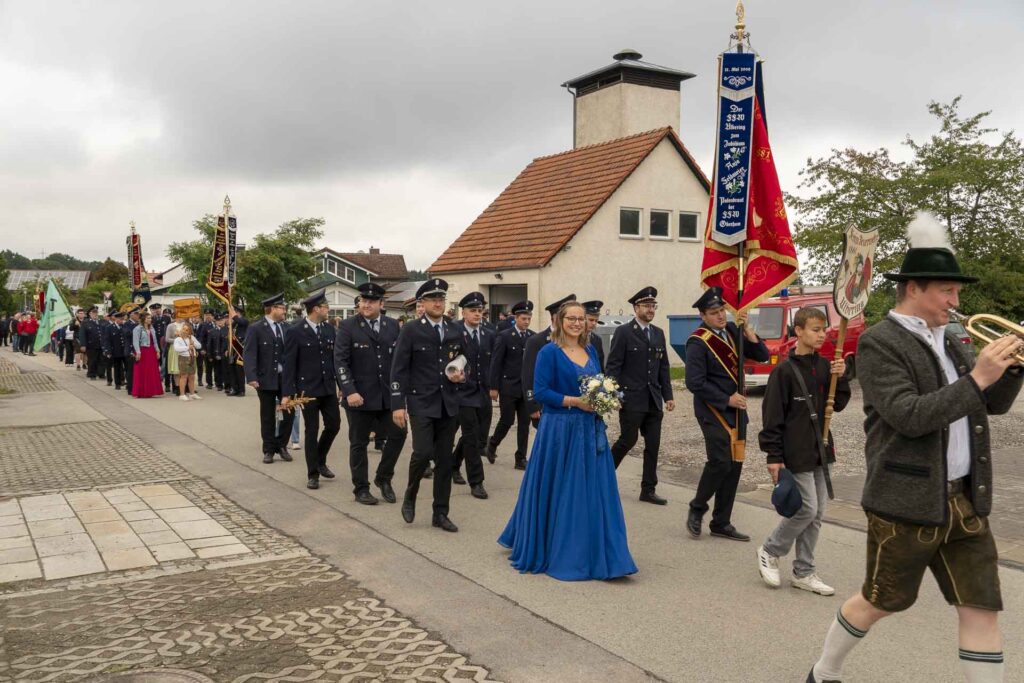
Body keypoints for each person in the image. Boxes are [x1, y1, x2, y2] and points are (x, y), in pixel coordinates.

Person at [807, 238, 1023, 683]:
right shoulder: (879, 343)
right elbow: (910, 416)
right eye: (947, 291)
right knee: (880, 600)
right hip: (905, 503)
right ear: (913, 290)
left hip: (965, 501)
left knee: (983, 610)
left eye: (956, 292)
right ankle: (824, 671)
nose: (956, 301)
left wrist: (1011, 369)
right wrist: (979, 375)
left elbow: (991, 404)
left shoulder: (954, 339)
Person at [499, 301, 638, 581]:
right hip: (559, 429)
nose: (576, 323)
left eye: (581, 319)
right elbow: (541, 391)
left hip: (589, 428)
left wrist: (604, 400)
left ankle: (600, 550)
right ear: (560, 320)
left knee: (591, 489)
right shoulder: (548, 351)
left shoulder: (590, 350)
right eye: (571, 318)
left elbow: (598, 381)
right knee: (563, 488)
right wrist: (576, 402)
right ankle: (563, 549)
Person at [756, 306, 850, 597]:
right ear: (798, 331)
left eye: (824, 329)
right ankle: (770, 550)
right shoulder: (783, 371)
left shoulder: (825, 367)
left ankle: (804, 571)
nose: (822, 334)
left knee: (818, 512)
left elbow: (839, 403)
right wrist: (773, 456)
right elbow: (772, 416)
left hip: (822, 448)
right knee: (806, 508)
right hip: (795, 451)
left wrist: (841, 377)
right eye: (815, 329)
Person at [685, 287, 769, 541]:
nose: (721, 316)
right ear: (703, 315)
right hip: (714, 409)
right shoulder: (697, 342)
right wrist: (726, 399)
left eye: (722, 310)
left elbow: (763, 356)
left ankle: (721, 522)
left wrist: (749, 332)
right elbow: (694, 382)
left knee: (735, 465)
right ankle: (697, 507)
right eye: (714, 312)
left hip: (738, 408)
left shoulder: (733, 331)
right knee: (720, 461)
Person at [390, 278, 466, 532]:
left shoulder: (455, 329)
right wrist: (397, 404)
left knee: (444, 460)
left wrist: (462, 373)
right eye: (433, 299)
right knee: (422, 453)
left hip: (448, 403)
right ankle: (410, 495)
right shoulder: (411, 330)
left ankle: (440, 512)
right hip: (421, 400)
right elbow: (398, 369)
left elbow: (466, 359)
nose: (438, 303)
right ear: (422, 303)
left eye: (441, 299)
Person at [335, 282, 407, 505]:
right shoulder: (348, 326)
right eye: (363, 301)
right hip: (360, 398)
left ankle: (383, 478)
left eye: (371, 301)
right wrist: (349, 391)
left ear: (381, 304)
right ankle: (361, 488)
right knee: (359, 443)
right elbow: (340, 362)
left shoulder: (393, 325)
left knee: (398, 435)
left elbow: (400, 362)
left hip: (388, 397)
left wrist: (401, 397)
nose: (366, 304)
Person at [608, 287, 675, 505]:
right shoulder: (624, 332)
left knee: (653, 445)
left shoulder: (658, 333)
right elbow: (614, 366)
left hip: (653, 399)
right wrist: (613, 395)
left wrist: (668, 396)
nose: (650, 310)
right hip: (631, 398)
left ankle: (648, 489)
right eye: (646, 306)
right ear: (636, 308)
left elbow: (663, 367)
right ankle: (603, 476)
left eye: (653, 306)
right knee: (628, 440)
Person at [282, 289, 340, 490]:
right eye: (325, 307)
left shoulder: (329, 330)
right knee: (312, 430)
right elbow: (289, 365)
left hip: (328, 387)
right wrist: (287, 394)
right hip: (307, 391)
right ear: (316, 309)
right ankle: (313, 473)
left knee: (334, 425)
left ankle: (320, 459)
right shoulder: (295, 331)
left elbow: (335, 360)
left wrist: (342, 386)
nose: (328, 310)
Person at [451, 292, 494, 499]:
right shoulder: (454, 331)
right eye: (473, 311)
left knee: (478, 438)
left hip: (482, 392)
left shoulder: (488, 333)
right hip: (462, 393)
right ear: (463, 312)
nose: (478, 314)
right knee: (470, 436)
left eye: (480, 311)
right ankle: (476, 481)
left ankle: (453, 464)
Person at [243, 293, 294, 464]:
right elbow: (249, 354)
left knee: (289, 412)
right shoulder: (256, 328)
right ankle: (269, 449)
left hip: (286, 378)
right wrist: (251, 376)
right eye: (282, 308)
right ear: (273, 309)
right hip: (265, 378)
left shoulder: (287, 328)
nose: (284, 311)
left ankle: (282, 445)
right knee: (267, 415)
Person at [487, 300, 535, 470]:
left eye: (529, 318)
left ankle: (520, 457)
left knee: (524, 424)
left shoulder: (532, 337)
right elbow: (496, 362)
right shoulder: (505, 336)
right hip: (508, 385)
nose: (526, 322)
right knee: (506, 420)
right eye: (523, 318)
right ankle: (492, 444)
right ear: (516, 318)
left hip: (525, 388)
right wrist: (494, 386)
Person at [522, 294, 576, 428]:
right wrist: (532, 405)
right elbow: (528, 375)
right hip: (546, 406)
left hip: (573, 407)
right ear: (556, 317)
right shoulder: (537, 341)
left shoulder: (576, 341)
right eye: (569, 316)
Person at [131, 312, 164, 398]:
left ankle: (151, 391)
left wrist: (157, 351)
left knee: (151, 371)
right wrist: (138, 352)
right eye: (148, 318)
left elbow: (155, 341)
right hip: (142, 351)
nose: (150, 320)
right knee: (142, 371)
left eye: (150, 318)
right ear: (143, 319)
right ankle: (141, 391)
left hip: (151, 351)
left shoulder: (152, 329)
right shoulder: (137, 329)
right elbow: (135, 342)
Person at [225, 303, 249, 397]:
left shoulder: (244, 321)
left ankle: (241, 390)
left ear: (238, 313)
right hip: (233, 349)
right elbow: (230, 337)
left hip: (240, 349)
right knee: (232, 370)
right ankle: (234, 389)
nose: (230, 314)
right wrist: (228, 349)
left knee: (239, 371)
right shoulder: (234, 324)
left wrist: (232, 312)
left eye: (232, 312)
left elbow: (239, 320)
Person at [173, 322, 202, 401]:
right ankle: (182, 394)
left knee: (192, 376)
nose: (185, 331)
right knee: (184, 376)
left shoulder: (191, 337)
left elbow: (199, 346)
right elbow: (177, 349)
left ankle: (192, 394)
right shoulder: (178, 339)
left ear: (189, 331)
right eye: (184, 329)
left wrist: (194, 343)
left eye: (187, 330)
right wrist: (187, 347)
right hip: (183, 358)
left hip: (192, 357)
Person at [102, 311, 128, 390]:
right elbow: (107, 340)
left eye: (122, 319)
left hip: (125, 350)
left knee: (127, 368)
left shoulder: (124, 326)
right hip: (116, 351)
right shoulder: (109, 327)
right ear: (116, 319)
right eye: (120, 319)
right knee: (117, 368)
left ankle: (128, 382)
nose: (122, 320)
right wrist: (108, 351)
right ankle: (118, 383)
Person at [79, 306, 103, 378]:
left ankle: (101, 373)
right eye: (94, 312)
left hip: (101, 345)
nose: (95, 314)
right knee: (92, 360)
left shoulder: (100, 322)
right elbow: (82, 334)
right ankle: (91, 373)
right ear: (90, 314)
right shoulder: (85, 323)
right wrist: (83, 345)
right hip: (91, 345)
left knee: (101, 360)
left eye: (96, 312)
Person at [581, 300, 605, 370]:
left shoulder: (597, 339)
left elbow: (600, 364)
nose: (594, 323)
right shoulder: (574, 338)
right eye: (591, 320)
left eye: (596, 321)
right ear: (583, 319)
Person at [196, 309, 216, 389]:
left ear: (212, 316)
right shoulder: (203, 325)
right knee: (207, 367)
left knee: (217, 367)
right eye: (206, 315)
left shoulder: (215, 324)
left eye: (209, 315)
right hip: (206, 349)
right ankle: (209, 383)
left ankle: (219, 382)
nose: (208, 317)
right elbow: (200, 338)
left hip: (215, 349)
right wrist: (202, 349)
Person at [122, 307, 139, 392]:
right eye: (136, 314)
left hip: (138, 349)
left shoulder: (138, 323)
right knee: (130, 370)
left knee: (137, 370)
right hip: (130, 349)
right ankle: (130, 387)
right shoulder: (126, 324)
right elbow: (127, 334)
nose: (138, 316)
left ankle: (136, 387)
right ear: (131, 315)